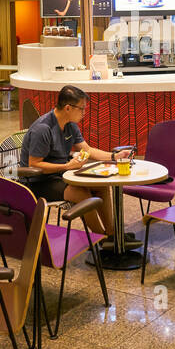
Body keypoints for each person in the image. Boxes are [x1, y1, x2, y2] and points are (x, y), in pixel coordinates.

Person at [18, 86, 131, 238]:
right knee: (80, 192)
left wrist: (114, 157)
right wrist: (67, 166)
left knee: (101, 185)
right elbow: (34, 164)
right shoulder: (43, 129)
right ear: (68, 108)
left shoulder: (70, 125)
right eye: (82, 109)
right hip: (37, 181)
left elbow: (87, 150)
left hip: (60, 176)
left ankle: (112, 234)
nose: (84, 113)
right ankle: (100, 238)